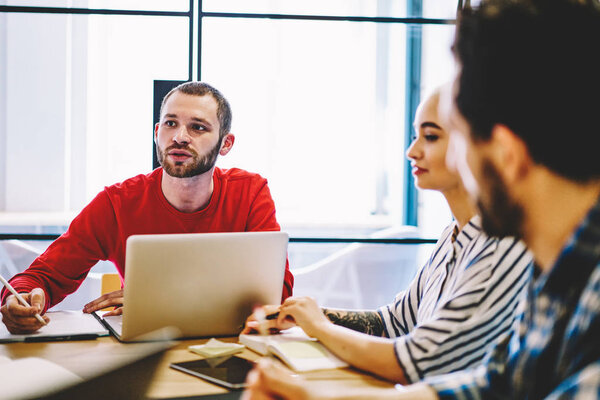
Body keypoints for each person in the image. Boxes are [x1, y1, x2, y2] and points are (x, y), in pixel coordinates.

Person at [242, 0, 600, 398]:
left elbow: (427, 363)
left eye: (456, 137)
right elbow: (495, 384)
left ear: (506, 155)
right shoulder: (556, 274)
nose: (416, 152)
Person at [242, 87, 533, 385]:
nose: (412, 151)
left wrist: (319, 326)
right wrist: (304, 316)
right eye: (415, 135)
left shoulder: (503, 246)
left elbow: (417, 362)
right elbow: (394, 322)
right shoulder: (453, 236)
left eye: (431, 137)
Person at [0, 81, 294, 334]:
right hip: (143, 347)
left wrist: (162, 302)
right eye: (170, 123)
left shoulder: (250, 192)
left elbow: (277, 294)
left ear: (225, 143)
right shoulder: (117, 203)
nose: (179, 136)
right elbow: (43, 276)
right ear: (157, 132)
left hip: (229, 346)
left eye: (198, 127)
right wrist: (21, 298)